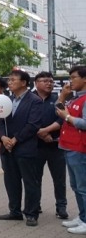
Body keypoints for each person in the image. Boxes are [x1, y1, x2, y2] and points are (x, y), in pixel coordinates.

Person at [0, 69, 42, 226]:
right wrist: (3, 137)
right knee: (11, 181)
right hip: (7, 148)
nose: (9, 82)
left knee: (30, 182)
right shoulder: (6, 100)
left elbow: (33, 125)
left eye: (13, 79)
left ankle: (31, 213)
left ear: (24, 82)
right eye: (9, 79)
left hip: (25, 147)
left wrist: (15, 139)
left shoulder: (34, 100)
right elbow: (0, 122)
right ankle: (14, 211)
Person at [56, 65, 86, 234]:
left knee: (83, 187)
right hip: (69, 147)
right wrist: (62, 96)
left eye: (74, 77)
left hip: (80, 149)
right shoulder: (75, 98)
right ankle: (82, 217)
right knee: (76, 186)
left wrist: (67, 117)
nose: (71, 81)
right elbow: (59, 111)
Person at [33, 71, 68, 219]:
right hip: (35, 146)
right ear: (36, 83)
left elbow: (63, 119)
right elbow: (25, 120)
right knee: (34, 179)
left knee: (59, 179)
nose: (49, 84)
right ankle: (35, 205)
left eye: (51, 81)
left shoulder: (58, 99)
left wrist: (46, 131)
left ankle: (61, 207)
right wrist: (39, 133)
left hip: (55, 145)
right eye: (45, 81)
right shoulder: (29, 99)